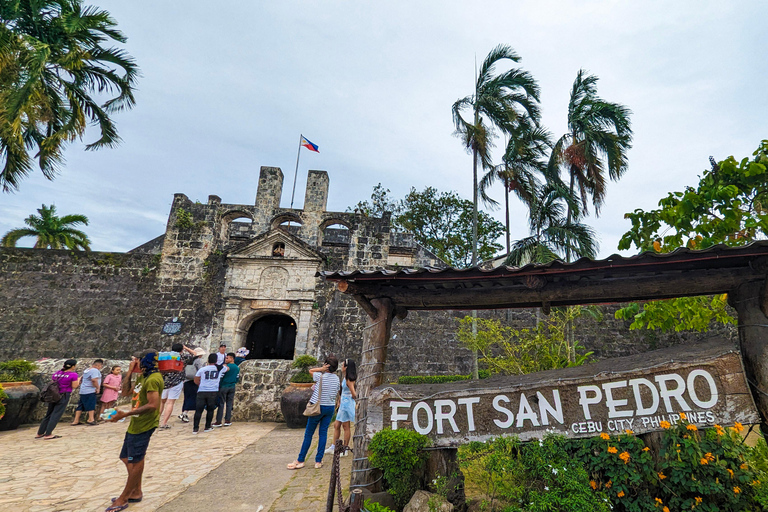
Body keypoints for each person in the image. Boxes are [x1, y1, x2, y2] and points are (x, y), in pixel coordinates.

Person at [107, 349, 164, 511]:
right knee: (126, 457)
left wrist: (127, 413)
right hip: (135, 424)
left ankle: (124, 497)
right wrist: (130, 372)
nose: (133, 362)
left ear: (143, 360)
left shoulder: (153, 379)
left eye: (135, 360)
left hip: (145, 424)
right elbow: (125, 392)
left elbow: (153, 405)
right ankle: (136, 491)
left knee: (135, 460)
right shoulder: (142, 377)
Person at [287, 356, 340, 470]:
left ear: (326, 366)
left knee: (309, 434)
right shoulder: (337, 379)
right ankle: (318, 461)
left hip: (317, 407)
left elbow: (310, 371)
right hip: (329, 407)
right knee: (323, 433)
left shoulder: (321, 376)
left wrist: (321, 368)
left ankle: (300, 460)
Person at [36, 359, 80, 440]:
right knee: (56, 414)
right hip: (64, 395)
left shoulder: (57, 373)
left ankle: (40, 432)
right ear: (73, 366)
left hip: (54, 395)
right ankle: (48, 433)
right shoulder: (73, 375)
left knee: (49, 414)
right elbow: (74, 386)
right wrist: (79, 380)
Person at [158, 343, 195, 429]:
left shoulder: (165, 356)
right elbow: (194, 354)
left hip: (165, 381)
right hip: (176, 381)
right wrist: (186, 348)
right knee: (170, 403)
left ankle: (155, 421)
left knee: (161, 402)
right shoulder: (183, 357)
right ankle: (164, 423)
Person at [325, 358, 357, 457]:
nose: (341, 366)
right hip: (343, 404)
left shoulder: (349, 379)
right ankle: (334, 446)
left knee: (345, 426)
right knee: (336, 425)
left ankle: (345, 448)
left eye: (343, 365)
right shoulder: (345, 377)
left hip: (346, 405)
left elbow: (354, 394)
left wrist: (351, 399)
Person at [193, 353, 227, 434]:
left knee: (198, 410)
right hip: (213, 391)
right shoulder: (220, 368)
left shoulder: (202, 369)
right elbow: (227, 368)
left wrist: (201, 385)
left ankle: (195, 428)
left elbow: (196, 380)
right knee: (210, 410)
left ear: (208, 360)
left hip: (202, 391)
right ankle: (207, 426)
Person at [72, 358, 103, 426]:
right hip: (90, 390)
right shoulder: (95, 370)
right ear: (98, 365)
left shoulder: (87, 370)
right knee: (91, 405)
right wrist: (97, 387)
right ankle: (91, 419)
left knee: (80, 405)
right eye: (101, 366)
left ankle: (76, 420)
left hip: (83, 390)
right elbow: (94, 380)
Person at [179, 347, 206, 423]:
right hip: (194, 381)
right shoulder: (198, 361)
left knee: (187, 397)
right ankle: (185, 413)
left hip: (187, 381)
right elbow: (201, 370)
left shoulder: (188, 360)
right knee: (193, 398)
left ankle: (184, 412)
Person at [212, 352, 239, 427]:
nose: (225, 359)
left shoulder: (226, 367)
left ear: (231, 359)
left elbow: (221, 377)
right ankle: (227, 420)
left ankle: (218, 421)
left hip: (224, 386)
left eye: (227, 358)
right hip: (232, 386)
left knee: (221, 403)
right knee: (229, 403)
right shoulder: (237, 367)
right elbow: (237, 378)